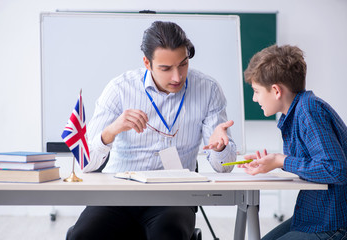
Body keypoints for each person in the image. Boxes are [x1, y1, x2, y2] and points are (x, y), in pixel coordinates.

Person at [69, 21, 237, 240]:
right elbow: (86, 164)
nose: (177, 77)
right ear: (147, 63)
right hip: (118, 194)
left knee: (168, 234)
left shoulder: (208, 89)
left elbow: (224, 168)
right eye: (166, 69)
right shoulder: (119, 89)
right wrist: (111, 131)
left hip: (174, 197)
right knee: (83, 235)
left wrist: (220, 147)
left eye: (183, 64)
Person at [240, 44, 347, 240]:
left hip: (333, 223)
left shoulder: (309, 111)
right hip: (315, 216)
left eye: (256, 91)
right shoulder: (298, 111)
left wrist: (281, 160)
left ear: (276, 90)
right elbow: (313, 164)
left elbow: (335, 169)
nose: (255, 99)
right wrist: (271, 163)